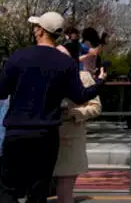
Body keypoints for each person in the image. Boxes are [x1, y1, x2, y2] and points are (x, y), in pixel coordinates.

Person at [0, 11, 105, 203]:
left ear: (40, 31)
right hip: (47, 132)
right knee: (39, 188)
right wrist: (100, 82)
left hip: (17, 129)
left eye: (36, 27)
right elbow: (79, 96)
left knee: (8, 186)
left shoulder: (19, 56)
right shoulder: (66, 62)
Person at [54, 41, 102, 203]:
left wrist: (73, 113)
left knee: (65, 191)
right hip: (45, 134)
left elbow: (96, 107)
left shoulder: (83, 77)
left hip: (71, 136)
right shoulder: (47, 73)